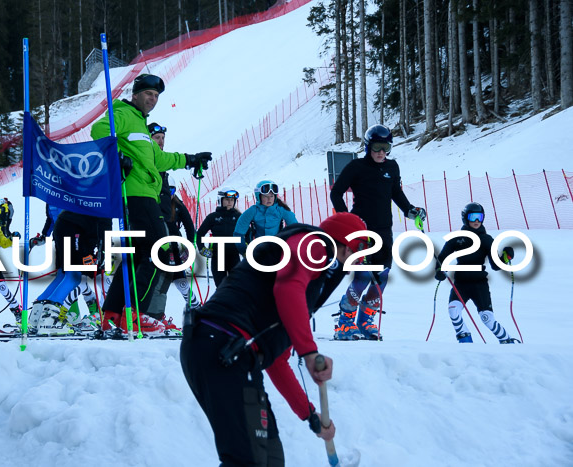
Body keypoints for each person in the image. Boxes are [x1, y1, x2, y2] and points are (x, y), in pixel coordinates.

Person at [180, 212, 368, 465]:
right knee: (248, 460)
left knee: (269, 458)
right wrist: (309, 352)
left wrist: (310, 415)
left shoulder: (309, 281)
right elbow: (287, 287)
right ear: (345, 243)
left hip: (234, 356)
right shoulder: (311, 243)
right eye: (357, 251)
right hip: (220, 345)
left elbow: (277, 361)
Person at [90, 73, 212, 334]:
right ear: (136, 94)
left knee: (136, 258)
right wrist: (118, 156)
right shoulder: (123, 114)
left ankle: (112, 314)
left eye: (156, 96)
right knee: (158, 250)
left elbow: (161, 159)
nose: (152, 99)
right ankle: (134, 314)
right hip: (135, 194)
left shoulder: (142, 130)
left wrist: (191, 159)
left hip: (143, 194)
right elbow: (98, 131)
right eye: (148, 94)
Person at [329, 124, 426, 340]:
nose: (382, 152)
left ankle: (365, 321)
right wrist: (348, 219)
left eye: (386, 147)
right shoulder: (356, 167)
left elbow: (396, 193)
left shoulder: (392, 167)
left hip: (384, 231)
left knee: (381, 279)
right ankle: (344, 323)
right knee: (363, 277)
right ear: (368, 147)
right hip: (361, 232)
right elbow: (336, 193)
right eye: (377, 147)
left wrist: (411, 211)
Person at [435, 202, 519, 344]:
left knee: (487, 319)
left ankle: (507, 342)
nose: (476, 221)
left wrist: (505, 257)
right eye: (473, 217)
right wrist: (440, 270)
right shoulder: (457, 238)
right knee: (453, 310)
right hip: (461, 283)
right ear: (465, 218)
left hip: (479, 284)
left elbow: (495, 266)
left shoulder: (486, 239)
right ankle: (466, 343)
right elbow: (442, 259)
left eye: (480, 217)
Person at [144, 122, 201, 324]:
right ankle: (150, 315)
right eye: (156, 137)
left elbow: (187, 221)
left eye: (162, 138)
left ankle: (186, 308)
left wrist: (192, 242)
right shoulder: (147, 161)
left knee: (169, 274)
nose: (160, 141)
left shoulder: (163, 170)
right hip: (154, 226)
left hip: (171, 236)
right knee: (157, 273)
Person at [29, 209, 112, 336]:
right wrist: (104, 250)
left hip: (64, 224)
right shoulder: (107, 199)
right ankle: (49, 320)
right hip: (75, 228)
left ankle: (37, 316)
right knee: (74, 276)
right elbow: (104, 227)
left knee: (63, 274)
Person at [233, 180, 298, 256]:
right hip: (258, 250)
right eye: (265, 196)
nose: (269, 199)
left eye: (271, 196)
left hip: (277, 249)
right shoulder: (253, 211)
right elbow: (238, 233)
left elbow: (296, 228)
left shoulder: (281, 210)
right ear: (259, 197)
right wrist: (244, 251)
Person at [196, 187, 242, 286]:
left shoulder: (239, 217)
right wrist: (202, 249)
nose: (230, 202)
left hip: (234, 255)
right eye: (227, 199)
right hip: (218, 256)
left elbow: (247, 234)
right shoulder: (213, 217)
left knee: (236, 286)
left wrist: (246, 247)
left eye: (232, 200)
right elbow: (200, 234)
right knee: (221, 286)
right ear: (220, 200)